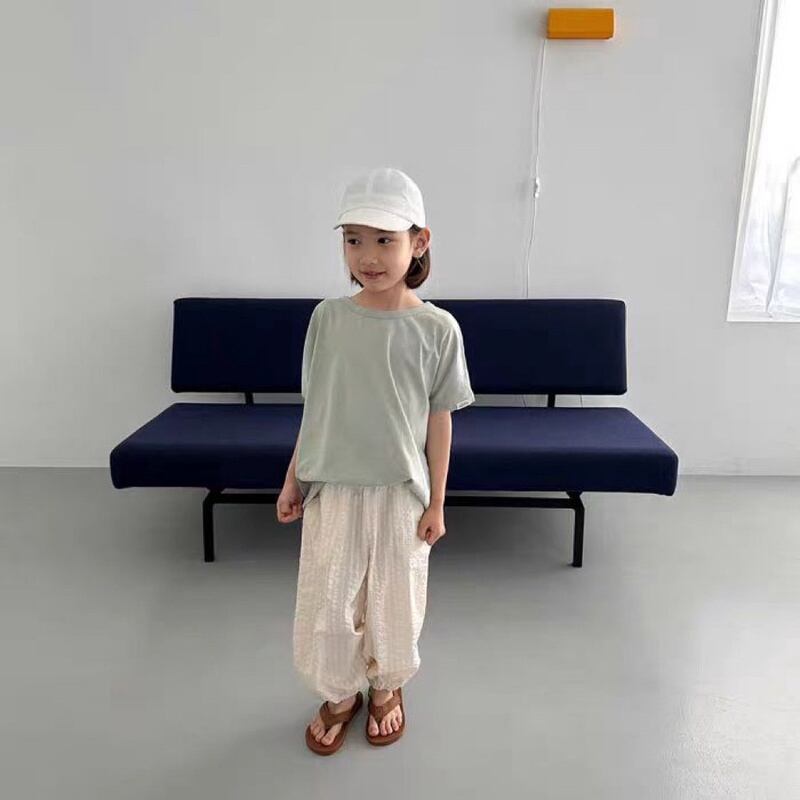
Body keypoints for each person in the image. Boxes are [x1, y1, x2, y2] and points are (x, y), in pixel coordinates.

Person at [276, 166, 475, 755]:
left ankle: (386, 687)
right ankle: (340, 693)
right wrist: (293, 479)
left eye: (385, 239)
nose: (367, 256)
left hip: (400, 493)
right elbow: (318, 410)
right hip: (334, 488)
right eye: (353, 239)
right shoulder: (328, 319)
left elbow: (439, 421)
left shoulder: (438, 329)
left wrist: (437, 503)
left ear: (420, 241)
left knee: (395, 600)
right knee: (330, 603)